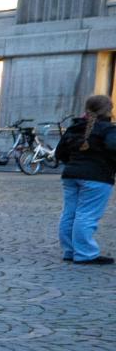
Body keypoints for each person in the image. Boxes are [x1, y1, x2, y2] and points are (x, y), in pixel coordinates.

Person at [56, 94, 116, 265]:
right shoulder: (108, 129)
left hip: (71, 175)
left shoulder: (74, 127)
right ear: (108, 110)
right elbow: (114, 147)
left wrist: (74, 163)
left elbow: (59, 153)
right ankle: (85, 253)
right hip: (97, 177)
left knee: (69, 214)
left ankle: (70, 250)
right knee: (87, 215)